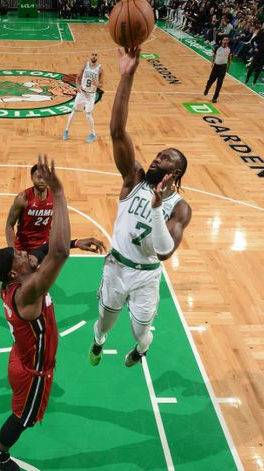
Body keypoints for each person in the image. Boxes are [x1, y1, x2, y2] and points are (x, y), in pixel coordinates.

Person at [88, 47, 192, 368]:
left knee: (139, 330)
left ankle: (141, 348)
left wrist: (158, 207)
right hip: (116, 267)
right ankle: (99, 342)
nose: (154, 159)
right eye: (157, 154)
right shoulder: (133, 179)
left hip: (146, 277)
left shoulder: (180, 209)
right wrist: (126, 76)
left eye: (163, 159)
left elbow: (163, 252)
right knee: (104, 323)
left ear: (174, 173)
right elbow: (117, 132)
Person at [0, 155, 70, 471]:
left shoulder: (13, 285)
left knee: (22, 412)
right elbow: (58, 252)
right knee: (23, 418)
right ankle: (0, 454)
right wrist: (61, 196)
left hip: (21, 358)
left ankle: (1, 450)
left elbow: (49, 251)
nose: (24, 253)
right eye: (20, 255)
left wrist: (75, 241)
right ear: (14, 271)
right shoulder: (29, 291)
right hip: (33, 370)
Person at [5, 163, 105, 255]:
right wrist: (12, 250)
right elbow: (9, 225)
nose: (42, 181)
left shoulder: (55, 197)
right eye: (39, 177)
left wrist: (74, 242)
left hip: (43, 247)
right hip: (22, 248)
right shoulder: (22, 199)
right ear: (32, 178)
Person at [63, 50, 104, 143]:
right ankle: (66, 130)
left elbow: (102, 84)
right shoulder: (85, 66)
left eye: (96, 55)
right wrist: (77, 86)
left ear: (97, 57)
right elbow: (77, 78)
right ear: (90, 56)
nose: (94, 56)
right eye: (93, 55)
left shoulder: (100, 69)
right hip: (82, 93)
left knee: (88, 115)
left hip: (91, 95)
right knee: (73, 112)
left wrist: (98, 84)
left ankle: (93, 134)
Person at [204, 36, 231, 103]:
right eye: (224, 40)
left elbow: (229, 58)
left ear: (228, 41)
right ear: (222, 41)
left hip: (223, 68)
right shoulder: (217, 48)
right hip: (216, 67)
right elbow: (213, 55)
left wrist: (228, 67)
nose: (225, 41)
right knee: (210, 81)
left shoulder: (229, 49)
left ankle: (215, 98)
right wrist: (212, 63)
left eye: (226, 40)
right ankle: (207, 89)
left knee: (219, 84)